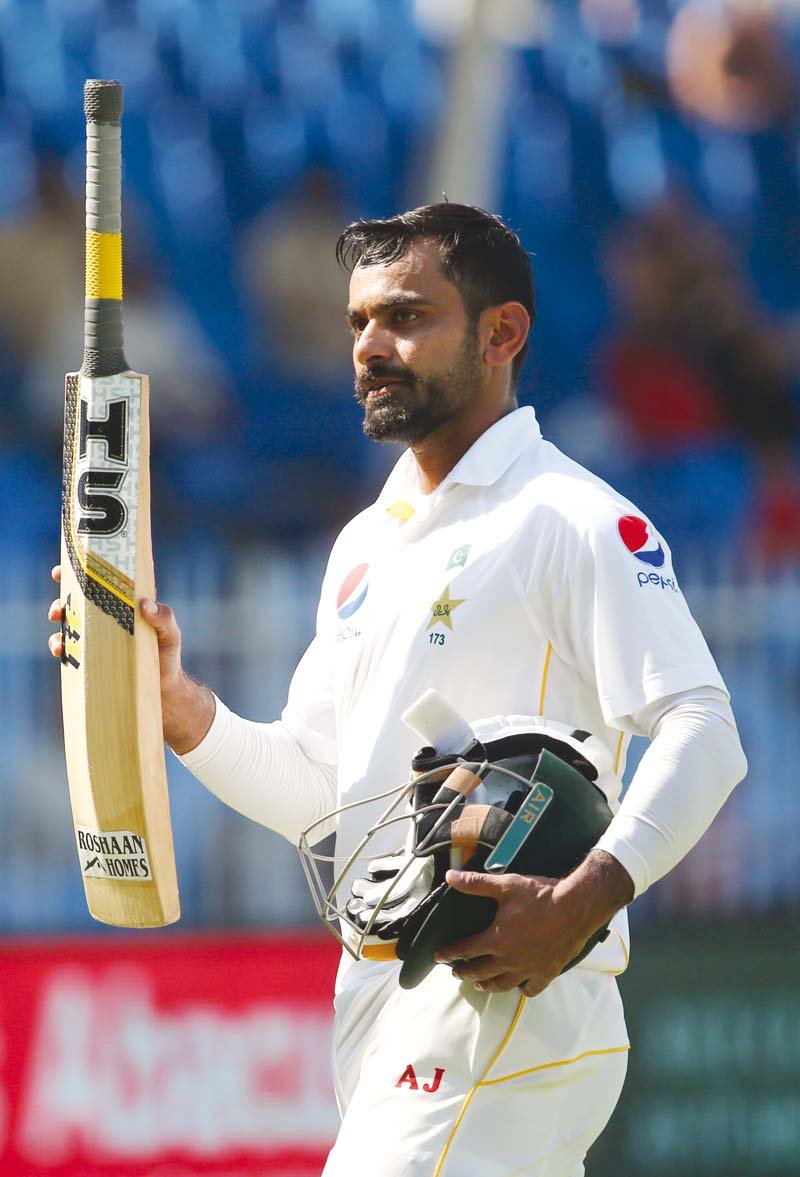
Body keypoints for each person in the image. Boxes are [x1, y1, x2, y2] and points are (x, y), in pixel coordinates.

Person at [49, 203, 747, 1176]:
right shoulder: (365, 543)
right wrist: (180, 711)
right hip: (383, 1002)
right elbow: (316, 789)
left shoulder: (570, 518)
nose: (371, 346)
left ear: (501, 333)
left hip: (498, 996)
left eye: (407, 316)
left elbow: (703, 728)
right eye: (357, 323)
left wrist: (579, 899)